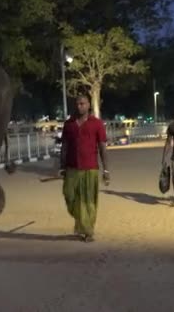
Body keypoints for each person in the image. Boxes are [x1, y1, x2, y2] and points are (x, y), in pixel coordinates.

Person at [59, 94, 110, 242]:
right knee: (69, 195)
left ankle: (88, 231)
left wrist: (106, 170)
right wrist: (62, 166)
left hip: (90, 168)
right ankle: (82, 222)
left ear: (89, 105)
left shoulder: (97, 124)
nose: (79, 106)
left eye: (82, 103)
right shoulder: (69, 124)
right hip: (72, 168)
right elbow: (64, 146)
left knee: (88, 201)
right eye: (77, 103)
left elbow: (102, 147)